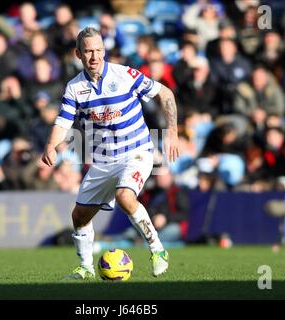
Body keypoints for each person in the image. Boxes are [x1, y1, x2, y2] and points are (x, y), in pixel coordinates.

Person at [40, 27, 180, 279]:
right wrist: (51, 145)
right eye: (88, 51)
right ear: (78, 54)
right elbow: (63, 122)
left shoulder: (125, 74)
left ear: (104, 50)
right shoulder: (74, 88)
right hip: (104, 158)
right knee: (80, 215)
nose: (94, 56)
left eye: (98, 50)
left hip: (137, 150)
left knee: (125, 196)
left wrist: (172, 131)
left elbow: (165, 93)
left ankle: (158, 250)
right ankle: (85, 267)